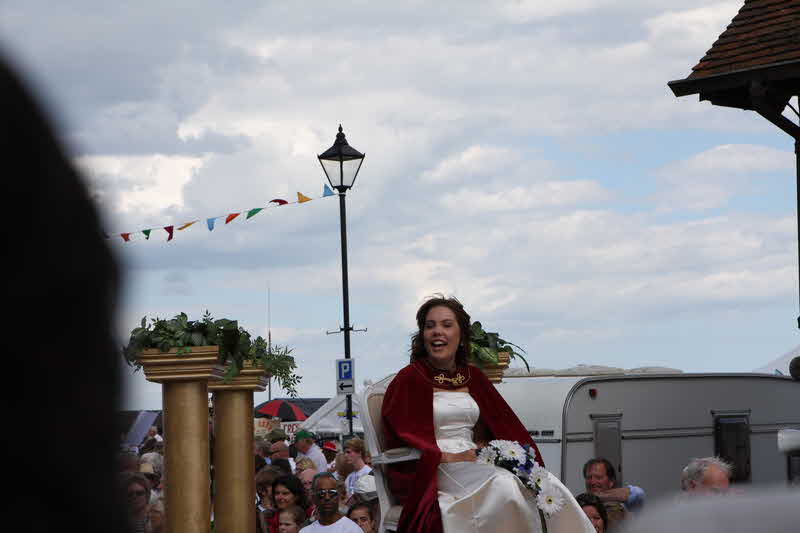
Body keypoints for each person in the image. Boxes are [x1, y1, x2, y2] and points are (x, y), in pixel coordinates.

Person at [381, 295, 595, 533]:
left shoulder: (473, 376)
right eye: (430, 326)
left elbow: (498, 424)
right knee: (504, 486)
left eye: (446, 325)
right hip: (435, 467)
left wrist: (493, 451)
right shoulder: (410, 378)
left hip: (474, 461)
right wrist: (450, 456)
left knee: (545, 483)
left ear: (461, 335)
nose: (437, 331)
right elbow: (404, 434)